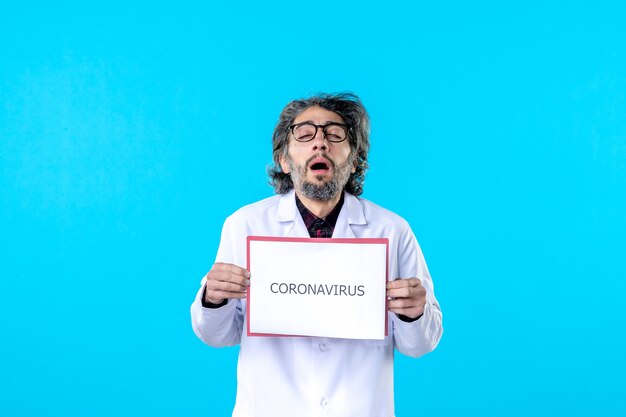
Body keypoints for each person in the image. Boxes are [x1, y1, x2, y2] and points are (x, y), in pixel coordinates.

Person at [190, 93, 443, 417]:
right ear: (283, 159)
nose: (320, 143)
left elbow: (420, 344)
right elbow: (217, 335)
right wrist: (214, 299)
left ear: (354, 160)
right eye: (305, 133)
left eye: (335, 134)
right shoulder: (244, 225)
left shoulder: (391, 230)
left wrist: (414, 312)